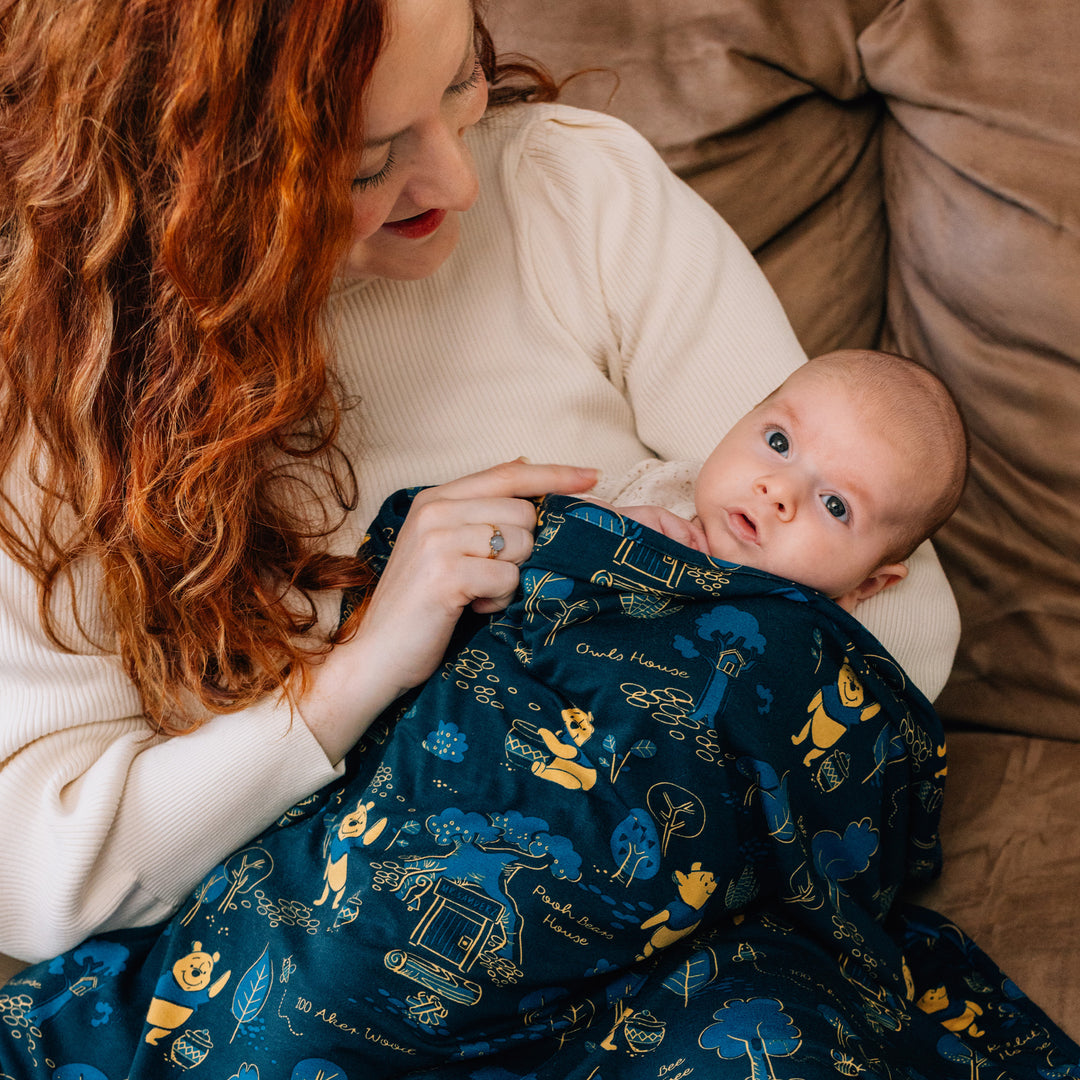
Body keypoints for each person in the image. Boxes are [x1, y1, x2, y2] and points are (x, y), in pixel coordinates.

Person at [0, 0, 959, 971]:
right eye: (371, 161)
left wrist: (631, 633)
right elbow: (41, 880)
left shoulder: (572, 192)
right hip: (339, 954)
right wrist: (359, 673)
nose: (461, 181)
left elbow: (903, 617)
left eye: (459, 78)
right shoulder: (51, 415)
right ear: (193, 175)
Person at [590, 348, 969, 614]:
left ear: (865, 585)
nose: (781, 490)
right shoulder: (664, 486)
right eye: (779, 442)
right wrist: (609, 528)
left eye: (834, 505)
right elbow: (548, 538)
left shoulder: (818, 636)